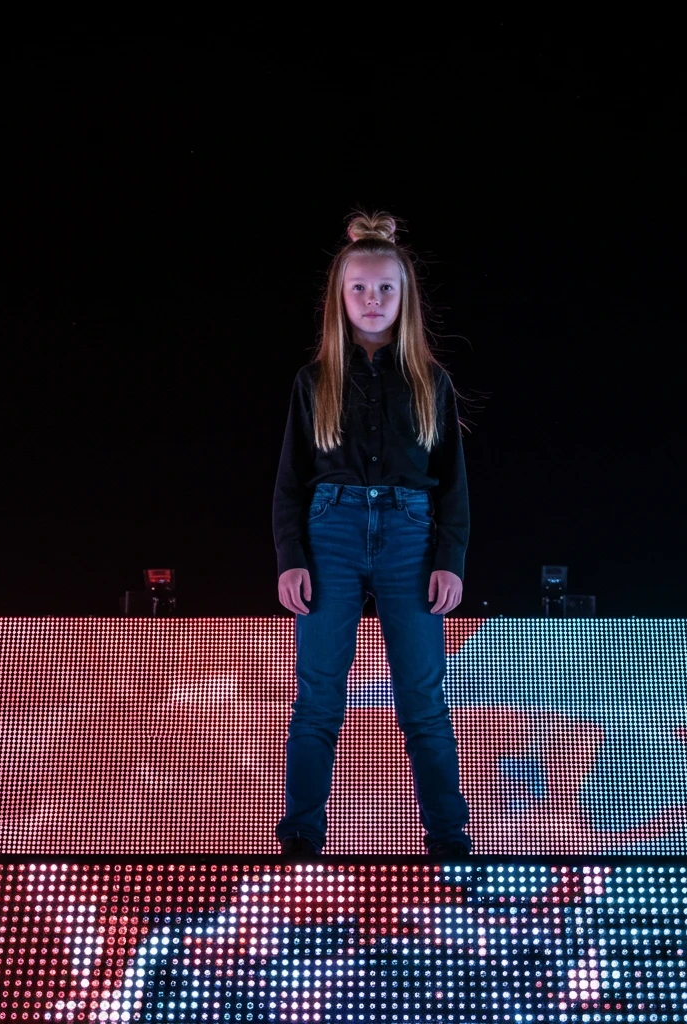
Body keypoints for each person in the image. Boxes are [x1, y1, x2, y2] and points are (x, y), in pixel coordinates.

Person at [272, 210, 473, 860]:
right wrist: (290, 557)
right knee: (318, 697)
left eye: (385, 288)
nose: (372, 300)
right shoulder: (314, 382)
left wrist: (450, 559)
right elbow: (290, 482)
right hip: (329, 530)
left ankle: (448, 837)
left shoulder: (429, 382)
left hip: (409, 537)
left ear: (404, 297)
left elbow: (453, 483)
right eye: (360, 288)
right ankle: (302, 834)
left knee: (422, 699)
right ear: (340, 297)